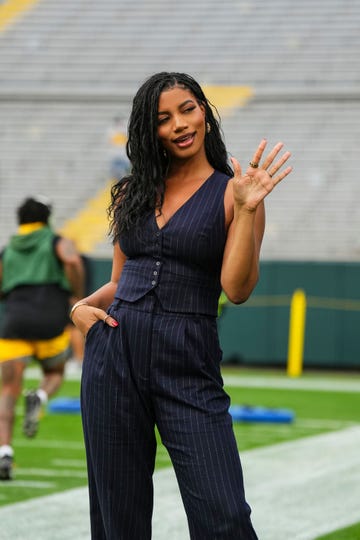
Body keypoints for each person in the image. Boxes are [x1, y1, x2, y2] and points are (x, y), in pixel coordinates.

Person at [71, 72, 292, 539]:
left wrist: (248, 208)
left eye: (187, 109)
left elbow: (236, 288)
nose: (178, 125)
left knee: (224, 516)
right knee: (117, 519)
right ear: (149, 132)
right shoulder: (131, 192)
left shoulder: (235, 193)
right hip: (114, 354)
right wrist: (79, 310)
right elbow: (119, 282)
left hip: (188, 357)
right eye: (163, 118)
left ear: (206, 114)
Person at [0, 196, 85, 480]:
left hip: (15, 319)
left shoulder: (9, 247)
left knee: (8, 391)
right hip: (50, 317)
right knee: (55, 372)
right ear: (45, 218)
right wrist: (77, 292)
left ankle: (4, 453)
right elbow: (72, 260)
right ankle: (40, 395)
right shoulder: (54, 240)